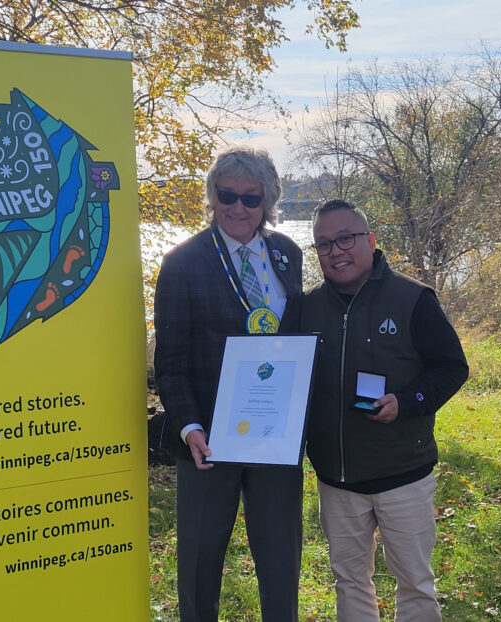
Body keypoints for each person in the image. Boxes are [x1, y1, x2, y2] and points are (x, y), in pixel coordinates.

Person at [154, 146, 303, 622]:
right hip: (209, 440)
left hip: (273, 436)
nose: (238, 207)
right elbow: (171, 362)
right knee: (200, 561)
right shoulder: (181, 262)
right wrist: (189, 427)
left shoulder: (286, 254)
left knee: (281, 558)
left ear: (268, 202)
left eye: (251, 197)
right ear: (212, 196)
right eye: (227, 194)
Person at [302, 199, 469, 622]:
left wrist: (409, 402)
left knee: (414, 580)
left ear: (370, 241)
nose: (336, 251)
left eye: (345, 238)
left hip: (403, 475)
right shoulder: (305, 309)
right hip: (336, 480)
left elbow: (452, 366)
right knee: (350, 580)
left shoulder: (413, 298)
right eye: (324, 244)